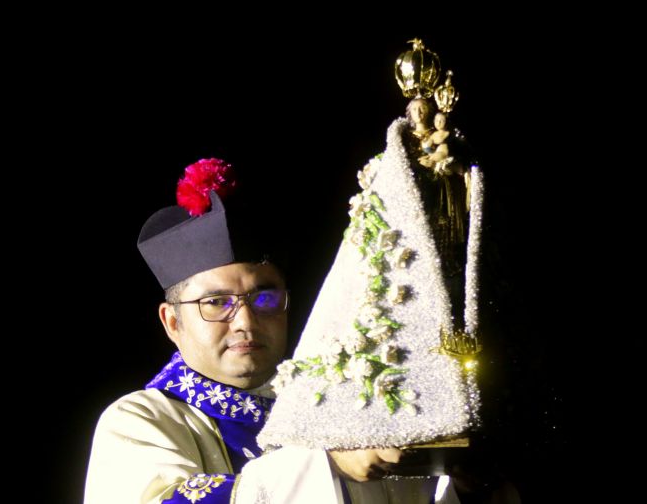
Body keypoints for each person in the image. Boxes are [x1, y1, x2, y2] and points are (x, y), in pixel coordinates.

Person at [84, 158, 460, 503]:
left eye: (264, 299)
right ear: (172, 322)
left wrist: (469, 487)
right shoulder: (139, 420)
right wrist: (326, 465)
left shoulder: (339, 409)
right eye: (216, 303)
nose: (246, 322)